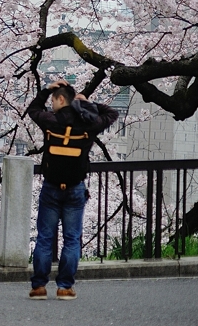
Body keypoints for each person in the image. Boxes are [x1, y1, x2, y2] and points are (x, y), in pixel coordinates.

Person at [26, 79, 119, 301]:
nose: (51, 104)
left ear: (60, 99)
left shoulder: (51, 121)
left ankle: (39, 286)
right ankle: (65, 287)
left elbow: (33, 110)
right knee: (71, 238)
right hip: (76, 188)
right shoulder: (88, 124)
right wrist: (87, 102)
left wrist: (46, 89)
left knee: (45, 238)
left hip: (51, 188)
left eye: (53, 99)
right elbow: (112, 114)